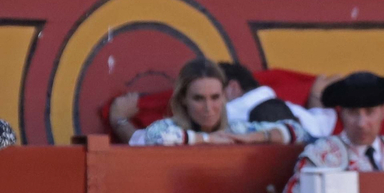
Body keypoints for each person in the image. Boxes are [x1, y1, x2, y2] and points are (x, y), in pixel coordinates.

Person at [110, 58, 304, 147]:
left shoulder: (237, 130)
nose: (209, 108)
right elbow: (157, 138)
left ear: (225, 97)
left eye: (215, 97)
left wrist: (257, 137)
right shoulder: (167, 128)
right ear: (183, 100)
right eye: (198, 99)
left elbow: (297, 130)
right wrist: (208, 140)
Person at [218, 61, 337, 140]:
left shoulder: (230, 111)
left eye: (215, 95)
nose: (209, 105)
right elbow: (321, 129)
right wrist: (316, 96)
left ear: (232, 88)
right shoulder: (284, 105)